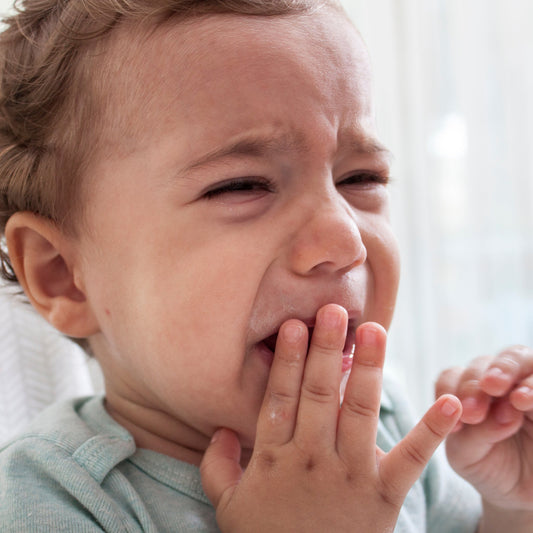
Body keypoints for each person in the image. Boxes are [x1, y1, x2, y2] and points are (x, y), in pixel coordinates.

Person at [0, 0, 532, 531]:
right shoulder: (48, 498)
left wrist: (510, 507)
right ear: (63, 276)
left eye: (361, 178)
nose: (344, 239)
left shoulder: (378, 421)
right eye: (243, 185)